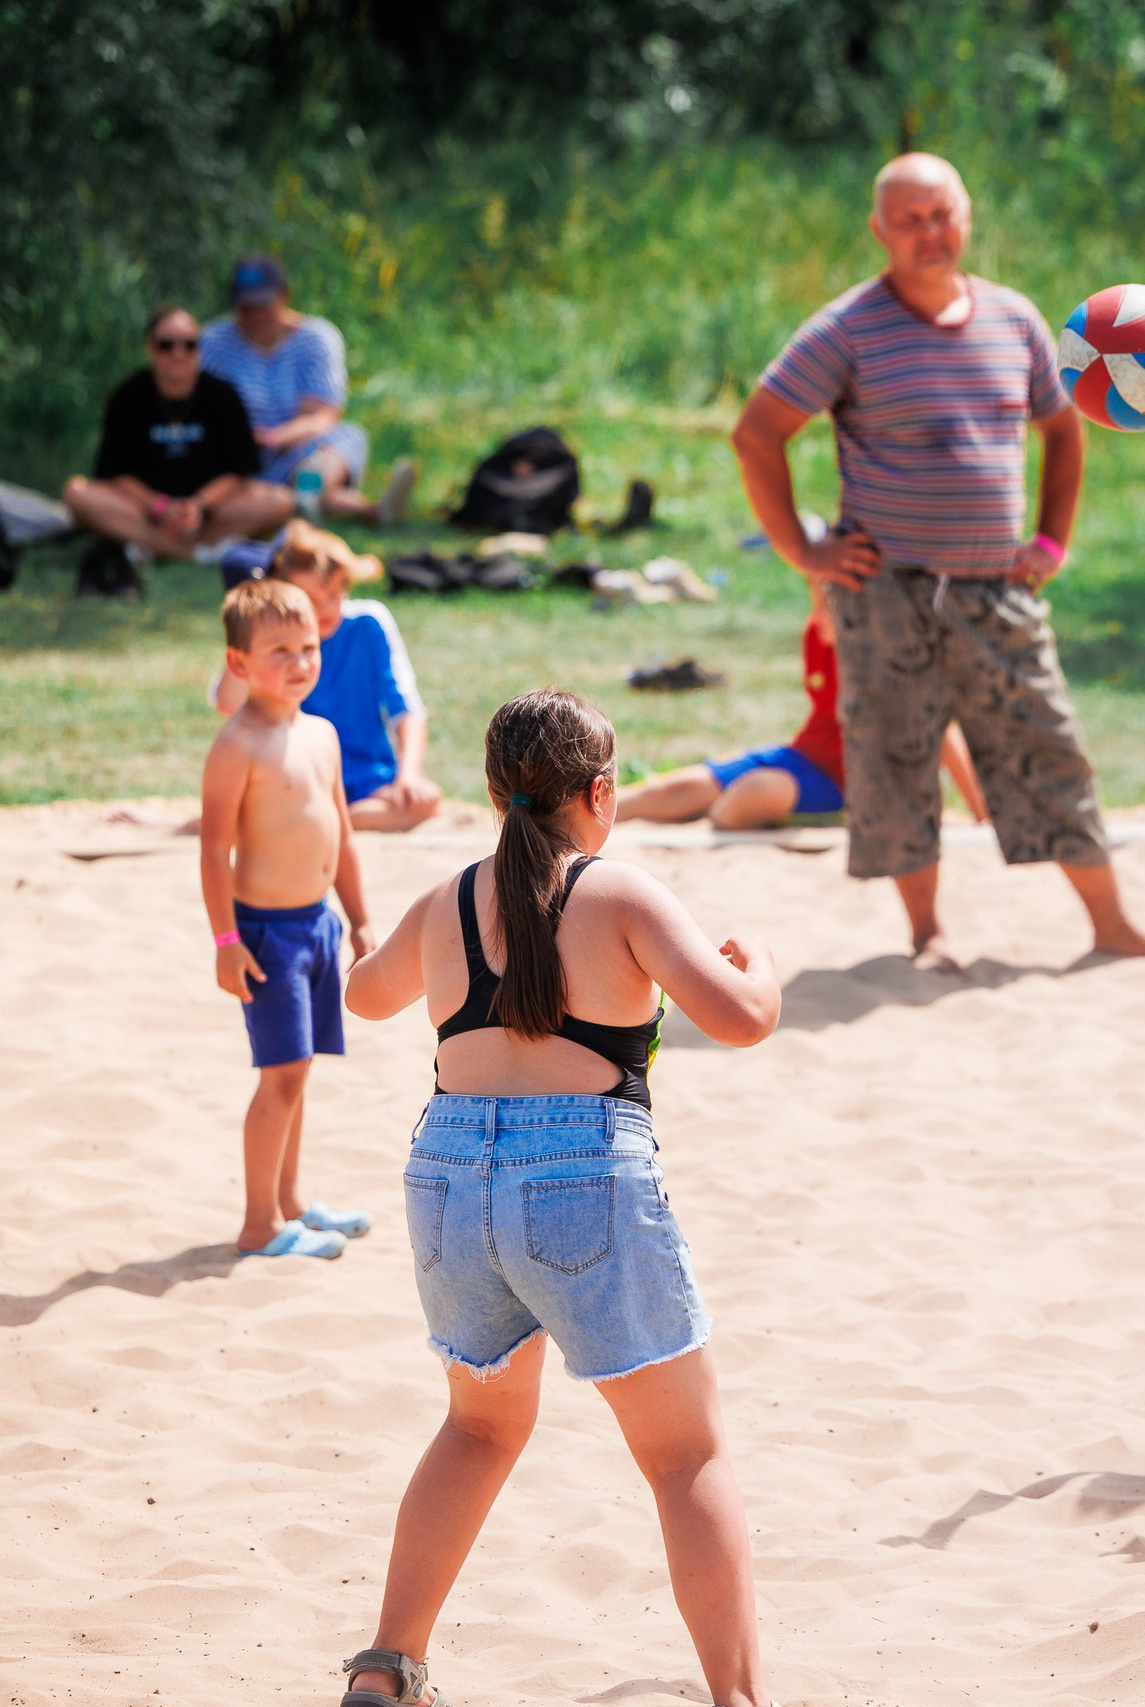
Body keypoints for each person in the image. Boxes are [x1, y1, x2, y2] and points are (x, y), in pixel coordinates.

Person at [337, 688, 783, 1707]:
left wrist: (372, 937)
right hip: (579, 1176)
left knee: (479, 1428)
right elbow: (744, 1019)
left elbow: (367, 993)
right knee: (685, 1453)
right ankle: (739, 1699)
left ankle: (386, 1669)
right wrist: (756, 961)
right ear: (600, 791)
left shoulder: (452, 897)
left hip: (447, 1177)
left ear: (498, 795)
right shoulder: (618, 893)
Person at [729, 151, 1145, 969]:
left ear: (967, 216)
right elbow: (757, 435)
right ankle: (928, 933)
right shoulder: (846, 328)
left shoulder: (1015, 318)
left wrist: (1052, 541)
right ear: (879, 230)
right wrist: (800, 549)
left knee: (1051, 743)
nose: (931, 233)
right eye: (911, 219)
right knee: (896, 761)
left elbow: (1064, 432)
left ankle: (1111, 924)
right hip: (885, 590)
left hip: (998, 587)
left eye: (944, 215)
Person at [199, 577, 377, 1261]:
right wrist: (225, 941)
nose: (300, 662)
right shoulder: (236, 745)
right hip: (266, 935)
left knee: (298, 1071)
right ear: (238, 663)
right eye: (280, 651)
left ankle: (291, 1201)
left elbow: (344, 833)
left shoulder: (323, 733)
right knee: (281, 1074)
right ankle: (257, 1224)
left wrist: (359, 920)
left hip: (319, 926)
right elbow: (214, 850)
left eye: (308, 647)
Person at [616, 588, 990, 832]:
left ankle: (713, 814)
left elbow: (941, 731)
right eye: (817, 600)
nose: (818, 616)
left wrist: (980, 813)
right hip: (801, 755)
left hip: (848, 783)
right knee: (679, 786)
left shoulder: (890, 657)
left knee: (752, 795)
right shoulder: (818, 635)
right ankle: (571, 811)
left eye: (829, 607)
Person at [210, 521, 442, 832]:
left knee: (424, 804)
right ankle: (318, 819)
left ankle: (317, 821)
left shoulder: (367, 622)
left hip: (367, 781)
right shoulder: (271, 638)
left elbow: (405, 707)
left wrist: (409, 775)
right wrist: (257, 623)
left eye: (335, 593)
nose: (326, 609)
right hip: (292, 778)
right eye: (310, 599)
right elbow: (228, 703)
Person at [64, 303, 295, 596]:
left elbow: (239, 472)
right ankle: (196, 552)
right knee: (77, 493)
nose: (178, 353)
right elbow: (116, 473)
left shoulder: (223, 394)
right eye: (167, 344)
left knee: (281, 500)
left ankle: (151, 548)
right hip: (146, 511)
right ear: (151, 348)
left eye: (189, 344)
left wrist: (198, 505)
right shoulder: (127, 396)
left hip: (209, 512)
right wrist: (161, 507)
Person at [199, 254, 413, 526]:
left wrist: (275, 438)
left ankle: (308, 491)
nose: (254, 315)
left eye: (262, 305)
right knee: (289, 486)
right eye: (245, 307)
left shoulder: (316, 338)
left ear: (284, 294)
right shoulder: (211, 342)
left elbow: (323, 414)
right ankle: (367, 509)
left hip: (299, 445)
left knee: (344, 438)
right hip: (237, 461)